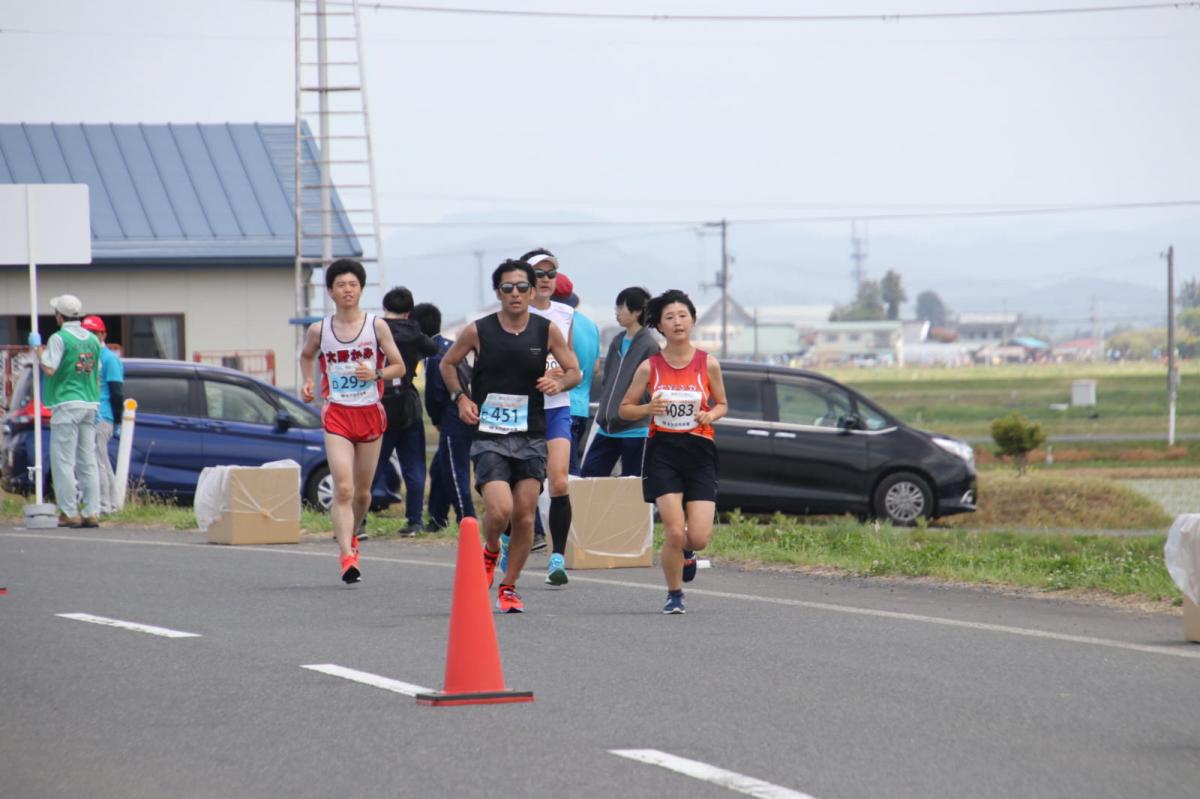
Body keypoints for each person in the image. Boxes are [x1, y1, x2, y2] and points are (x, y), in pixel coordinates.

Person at [439, 259, 580, 613]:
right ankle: (491, 550)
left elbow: (574, 370)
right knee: (500, 509)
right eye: (507, 288)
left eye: (521, 287)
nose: (515, 294)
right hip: (490, 434)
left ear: (531, 292)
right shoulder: (478, 330)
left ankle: (509, 586)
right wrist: (461, 398)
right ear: (498, 292)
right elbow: (447, 363)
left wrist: (560, 383)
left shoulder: (546, 330)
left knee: (526, 516)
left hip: (531, 433)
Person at [618, 289, 727, 614]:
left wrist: (710, 415)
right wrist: (647, 408)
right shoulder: (649, 367)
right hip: (663, 452)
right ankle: (674, 593)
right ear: (659, 326)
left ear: (692, 320)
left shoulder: (708, 363)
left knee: (698, 537)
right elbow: (624, 408)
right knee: (675, 530)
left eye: (683, 315)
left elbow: (722, 403)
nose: (677, 322)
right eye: (670, 317)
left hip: (699, 452)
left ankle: (689, 553)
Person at [300, 259, 406, 584]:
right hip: (337, 414)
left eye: (353, 285)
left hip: (370, 412)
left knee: (362, 494)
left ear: (361, 290)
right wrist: (308, 381)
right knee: (343, 489)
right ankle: (346, 556)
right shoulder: (319, 330)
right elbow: (306, 355)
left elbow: (399, 366)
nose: (347, 290)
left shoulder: (376, 327)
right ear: (331, 292)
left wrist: (376, 373)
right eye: (341, 285)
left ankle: (354, 533)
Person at [505, 247, 577, 587]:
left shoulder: (566, 314)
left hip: (557, 407)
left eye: (551, 274)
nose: (546, 280)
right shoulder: (510, 314)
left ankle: (557, 558)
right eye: (539, 274)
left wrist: (561, 379)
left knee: (559, 481)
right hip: (520, 410)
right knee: (520, 489)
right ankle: (505, 541)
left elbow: (573, 367)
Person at [373, 286, 438, 536]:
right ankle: (414, 521)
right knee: (414, 466)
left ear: (384, 307)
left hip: (378, 403)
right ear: (409, 312)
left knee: (372, 464)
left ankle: (359, 520)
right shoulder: (415, 333)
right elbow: (433, 349)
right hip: (408, 405)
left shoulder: (375, 330)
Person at [39, 295, 103, 528]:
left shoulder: (59, 338)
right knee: (88, 461)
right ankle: (91, 511)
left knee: (63, 461)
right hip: (90, 402)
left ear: (59, 316)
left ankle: (69, 511)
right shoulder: (93, 339)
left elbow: (49, 368)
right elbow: (96, 371)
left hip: (66, 403)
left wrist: (38, 350)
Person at [411, 301, 475, 530]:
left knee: (455, 471)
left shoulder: (434, 355)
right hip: (465, 412)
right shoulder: (449, 346)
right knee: (439, 467)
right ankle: (437, 518)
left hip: (453, 416)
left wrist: (436, 419)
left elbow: (436, 394)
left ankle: (467, 519)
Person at [582, 286, 657, 478]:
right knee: (588, 478)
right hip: (607, 427)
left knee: (633, 485)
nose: (617, 312)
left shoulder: (649, 346)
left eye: (621, 307)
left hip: (636, 429)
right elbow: (608, 379)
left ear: (637, 311)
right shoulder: (617, 340)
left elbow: (652, 385)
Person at [552, 274, 601, 476]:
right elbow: (596, 367)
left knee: (559, 473)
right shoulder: (590, 325)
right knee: (571, 470)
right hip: (582, 408)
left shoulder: (555, 325)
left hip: (559, 408)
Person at [81, 315, 124, 516]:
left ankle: (107, 505)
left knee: (99, 460)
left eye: (94, 333)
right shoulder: (86, 358)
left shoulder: (109, 358)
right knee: (96, 461)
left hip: (102, 416)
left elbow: (117, 392)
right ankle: (108, 504)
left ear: (103, 334)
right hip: (88, 414)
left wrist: (117, 420)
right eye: (86, 332)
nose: (90, 336)